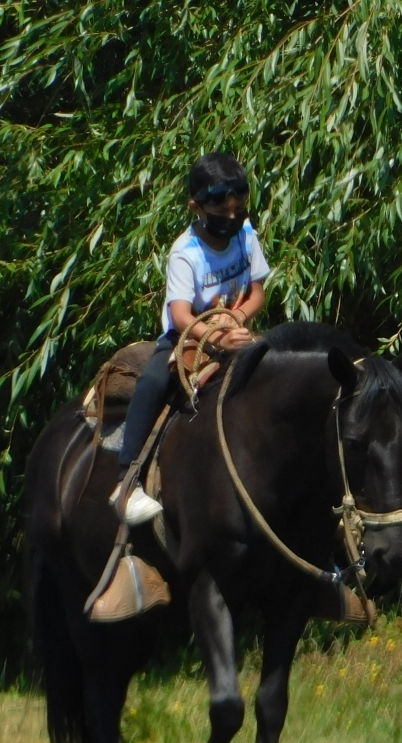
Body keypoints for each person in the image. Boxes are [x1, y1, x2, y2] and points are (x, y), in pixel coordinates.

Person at [111, 152, 269, 524]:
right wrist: (217, 338)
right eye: (223, 212)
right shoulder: (186, 252)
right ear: (195, 207)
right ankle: (126, 481)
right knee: (152, 380)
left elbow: (258, 291)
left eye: (238, 210)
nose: (232, 219)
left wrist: (238, 318)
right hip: (191, 337)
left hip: (235, 328)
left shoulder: (246, 235)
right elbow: (181, 315)